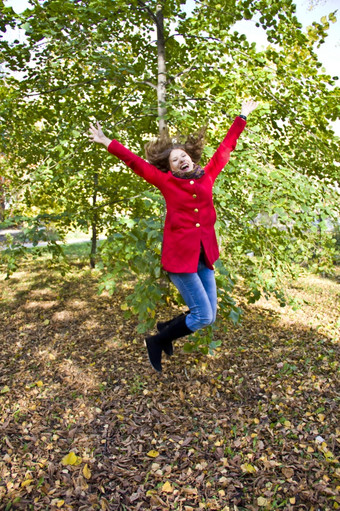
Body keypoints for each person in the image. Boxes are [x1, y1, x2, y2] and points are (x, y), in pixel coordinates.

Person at [89, 99, 258, 372]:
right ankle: (158, 340)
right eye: (175, 159)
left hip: (205, 257)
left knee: (209, 316)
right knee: (202, 316)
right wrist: (107, 142)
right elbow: (135, 162)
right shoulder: (166, 182)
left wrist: (241, 118)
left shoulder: (207, 176)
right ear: (170, 167)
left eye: (183, 156)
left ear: (191, 158)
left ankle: (166, 327)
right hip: (180, 261)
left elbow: (225, 150)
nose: (181, 160)